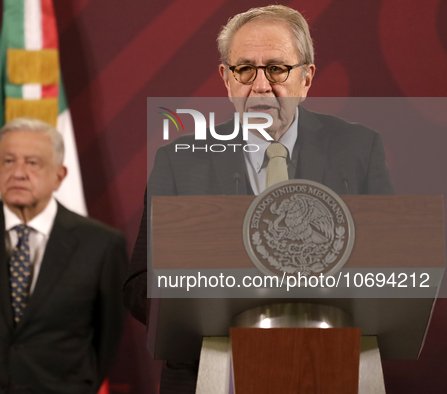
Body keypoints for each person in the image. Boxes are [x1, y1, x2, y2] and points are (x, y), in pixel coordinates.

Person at [123, 4, 394, 393]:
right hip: (209, 372)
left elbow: (395, 264)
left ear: (306, 78)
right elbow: (140, 285)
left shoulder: (358, 148)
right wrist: (207, 297)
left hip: (330, 367)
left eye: (277, 69)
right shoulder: (179, 160)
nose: (261, 85)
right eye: (245, 69)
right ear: (226, 79)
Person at [0, 117, 128, 394]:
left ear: (59, 176)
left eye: (33, 163)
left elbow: (107, 338)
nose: (18, 173)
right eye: (9, 161)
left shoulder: (101, 244)